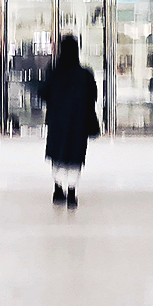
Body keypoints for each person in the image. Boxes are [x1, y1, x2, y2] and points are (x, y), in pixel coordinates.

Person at [36, 35, 99, 208]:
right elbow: (93, 96)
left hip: (57, 121)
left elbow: (43, 93)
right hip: (79, 122)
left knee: (58, 155)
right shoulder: (85, 74)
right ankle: (72, 192)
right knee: (75, 155)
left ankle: (58, 189)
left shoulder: (54, 72)